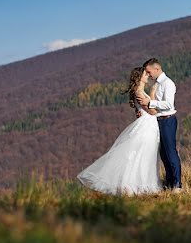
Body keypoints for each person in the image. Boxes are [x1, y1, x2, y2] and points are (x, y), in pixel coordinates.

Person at [76, 67, 162, 195]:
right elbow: (153, 111)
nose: (148, 76)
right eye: (145, 74)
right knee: (141, 155)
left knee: (145, 156)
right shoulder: (139, 92)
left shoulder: (139, 91)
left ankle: (140, 185)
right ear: (139, 77)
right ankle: (134, 186)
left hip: (148, 126)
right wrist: (153, 94)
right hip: (146, 127)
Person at [137, 57, 182, 191]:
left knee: (170, 152)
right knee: (163, 154)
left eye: (149, 72)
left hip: (167, 120)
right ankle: (169, 183)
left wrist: (150, 103)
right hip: (158, 121)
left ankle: (177, 185)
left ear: (157, 69)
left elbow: (169, 104)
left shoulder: (168, 83)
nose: (148, 75)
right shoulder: (157, 84)